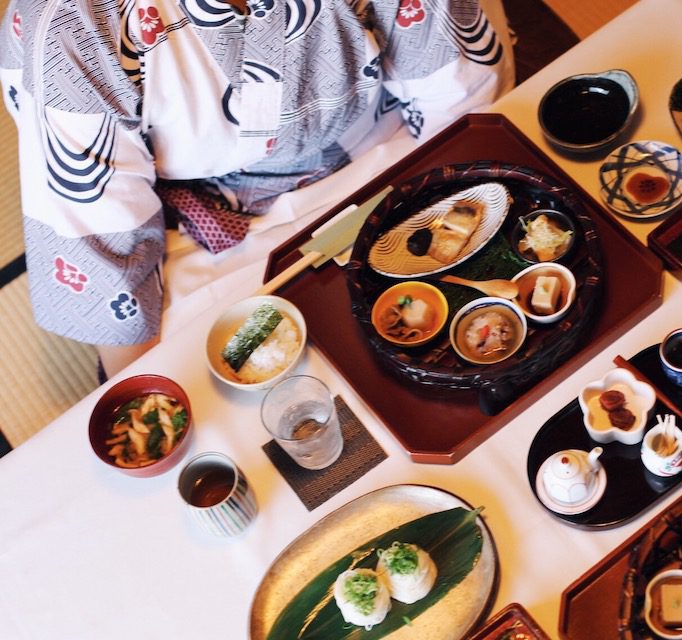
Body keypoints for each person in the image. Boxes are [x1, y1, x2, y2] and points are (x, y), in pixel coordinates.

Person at [0, 0, 514, 377]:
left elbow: (457, 109)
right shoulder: (72, 22)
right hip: (210, 207)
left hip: (385, 136)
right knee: (213, 375)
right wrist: (146, 398)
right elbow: (104, 251)